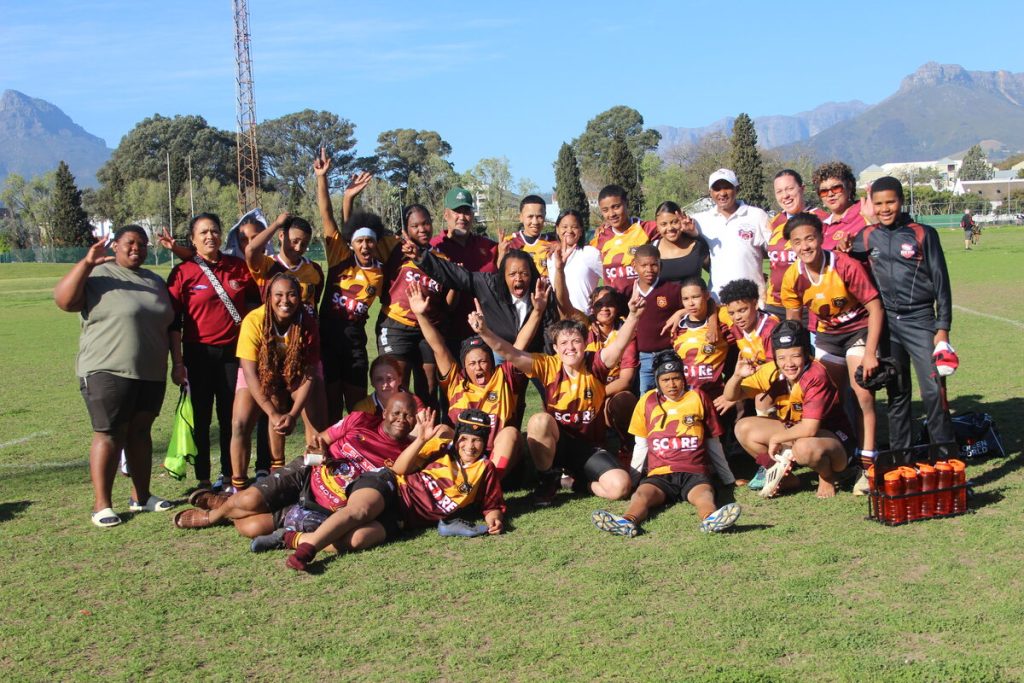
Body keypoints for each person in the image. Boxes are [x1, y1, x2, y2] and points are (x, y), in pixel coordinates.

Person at [55, 227, 183, 527]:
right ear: (116, 245)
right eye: (130, 243)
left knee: (140, 432)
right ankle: (102, 505)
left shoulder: (154, 280)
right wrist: (87, 263)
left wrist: (177, 363)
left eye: (142, 244)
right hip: (106, 369)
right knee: (109, 432)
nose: (136, 248)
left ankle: (142, 496)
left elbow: (170, 325)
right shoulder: (99, 275)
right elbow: (63, 300)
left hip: (150, 372)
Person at [470, 290, 644, 505]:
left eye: (576, 341)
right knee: (539, 421)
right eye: (564, 343)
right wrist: (485, 332)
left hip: (589, 448)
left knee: (621, 487)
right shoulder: (547, 365)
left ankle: (577, 483)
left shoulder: (596, 363)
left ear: (585, 344)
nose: (570, 348)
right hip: (555, 445)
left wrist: (634, 315)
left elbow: (618, 345)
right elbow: (509, 353)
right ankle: (548, 478)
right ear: (555, 348)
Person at [173, 394, 417, 543]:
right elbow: (319, 441)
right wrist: (318, 451)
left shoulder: (408, 452)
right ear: (384, 412)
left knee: (250, 527)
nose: (401, 420)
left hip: (326, 507)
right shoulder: (360, 420)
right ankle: (212, 516)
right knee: (246, 501)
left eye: (408, 416)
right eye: (396, 413)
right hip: (308, 473)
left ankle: (226, 504)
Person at [282, 408, 505, 571]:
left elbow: (491, 505)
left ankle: (292, 538)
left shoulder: (485, 469)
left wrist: (494, 519)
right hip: (390, 485)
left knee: (358, 539)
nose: (469, 446)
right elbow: (399, 467)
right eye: (464, 439)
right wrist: (422, 440)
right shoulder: (440, 449)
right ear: (456, 438)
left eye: (476, 440)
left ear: (484, 442)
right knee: (360, 512)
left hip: (404, 517)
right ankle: (306, 553)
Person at [848, 176, 958, 463]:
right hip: (887, 326)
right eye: (879, 203)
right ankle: (902, 463)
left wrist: (942, 330)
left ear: (901, 201)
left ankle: (945, 464)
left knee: (934, 393)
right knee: (897, 395)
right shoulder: (867, 236)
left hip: (921, 321)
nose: (885, 209)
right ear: (871, 205)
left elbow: (942, 284)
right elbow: (848, 262)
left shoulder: (923, 233)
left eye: (891, 202)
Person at [779, 212, 883, 490]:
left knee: (862, 393)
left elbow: (875, 308)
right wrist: (796, 361)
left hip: (858, 331)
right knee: (826, 398)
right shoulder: (792, 276)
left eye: (810, 238)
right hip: (826, 336)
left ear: (821, 238)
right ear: (791, 245)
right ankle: (840, 456)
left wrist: (871, 351)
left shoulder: (844, 265)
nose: (805, 246)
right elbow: (793, 326)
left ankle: (868, 465)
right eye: (797, 241)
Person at [591, 351, 741, 537]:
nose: (672, 384)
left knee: (705, 495)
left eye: (676, 378)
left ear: (683, 377)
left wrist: (728, 479)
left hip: (693, 472)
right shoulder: (647, 401)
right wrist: (634, 480)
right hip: (660, 475)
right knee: (641, 496)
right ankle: (627, 521)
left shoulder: (698, 397)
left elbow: (713, 443)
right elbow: (641, 446)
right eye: (666, 379)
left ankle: (710, 519)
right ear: (657, 380)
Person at [167, 213, 258, 490]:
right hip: (198, 355)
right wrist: (178, 362)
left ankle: (231, 476)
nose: (210, 236)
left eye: (215, 231)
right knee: (202, 418)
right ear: (193, 240)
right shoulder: (183, 272)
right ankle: (204, 479)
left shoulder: (237, 267)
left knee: (232, 417)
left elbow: (255, 308)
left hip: (234, 355)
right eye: (203, 232)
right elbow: (173, 324)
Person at [407, 280, 529, 478]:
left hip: (498, 461)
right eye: (472, 364)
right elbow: (438, 347)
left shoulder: (503, 377)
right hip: (463, 458)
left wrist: (537, 311)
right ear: (464, 367)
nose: (479, 367)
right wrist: (421, 314)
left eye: (483, 361)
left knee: (511, 433)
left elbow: (519, 346)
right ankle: (422, 476)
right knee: (441, 430)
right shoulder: (456, 381)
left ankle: (488, 484)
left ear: (491, 362)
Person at [724, 320, 855, 499]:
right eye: (782, 357)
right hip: (796, 431)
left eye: (795, 356)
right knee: (743, 428)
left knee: (804, 447)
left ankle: (828, 476)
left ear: (806, 354)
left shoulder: (816, 375)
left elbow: (810, 428)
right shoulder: (772, 370)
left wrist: (777, 438)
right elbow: (731, 396)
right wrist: (737, 376)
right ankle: (784, 477)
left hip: (832, 440)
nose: (789, 363)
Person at [227, 273, 321, 492]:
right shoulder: (255, 319)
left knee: (316, 419)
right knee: (240, 423)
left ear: (300, 297)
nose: (285, 301)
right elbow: (249, 372)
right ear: (269, 297)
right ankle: (238, 486)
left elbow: (309, 372)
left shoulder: (307, 322)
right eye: (278, 295)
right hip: (259, 373)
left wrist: (294, 414)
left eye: (291, 295)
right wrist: (272, 412)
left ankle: (314, 481)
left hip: (297, 371)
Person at [314, 150, 384, 419]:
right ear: (352, 244)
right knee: (330, 405)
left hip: (355, 343)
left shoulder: (380, 273)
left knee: (357, 407)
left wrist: (349, 199)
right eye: (359, 241)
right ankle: (329, 459)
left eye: (369, 241)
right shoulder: (339, 257)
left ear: (375, 243)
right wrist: (323, 178)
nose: (365, 245)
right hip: (328, 340)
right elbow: (327, 215)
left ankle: (355, 455)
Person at [411, 242, 557, 356]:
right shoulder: (489, 285)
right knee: (502, 392)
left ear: (531, 274)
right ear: (503, 276)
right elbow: (456, 274)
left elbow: (550, 330)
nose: (518, 278)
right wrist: (421, 257)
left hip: (535, 352)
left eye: (524, 273)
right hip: (500, 351)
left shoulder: (541, 292)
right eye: (512, 274)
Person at [376, 203, 450, 404]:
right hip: (396, 326)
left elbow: (447, 302)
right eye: (415, 226)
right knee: (395, 386)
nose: (422, 229)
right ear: (406, 229)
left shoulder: (440, 258)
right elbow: (358, 238)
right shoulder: (394, 249)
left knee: (429, 387)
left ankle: (428, 433)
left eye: (425, 223)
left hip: (427, 328)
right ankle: (395, 435)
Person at [430, 186, 498, 345]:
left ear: (473, 215)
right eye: (457, 211)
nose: (462, 217)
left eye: (466, 211)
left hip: (486, 333)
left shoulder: (490, 247)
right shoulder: (435, 248)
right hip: (448, 333)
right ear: (446, 214)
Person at [691, 169, 770, 302]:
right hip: (718, 300)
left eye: (727, 187)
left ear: (737, 189)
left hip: (753, 300)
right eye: (716, 189)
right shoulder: (700, 220)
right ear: (710, 192)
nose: (722, 193)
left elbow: (775, 251)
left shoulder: (757, 215)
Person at [629, 244, 685, 392]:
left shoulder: (672, 289)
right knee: (645, 398)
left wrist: (681, 312)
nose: (649, 270)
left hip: (669, 354)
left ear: (660, 265)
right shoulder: (628, 291)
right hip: (643, 357)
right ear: (634, 265)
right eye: (644, 265)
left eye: (654, 265)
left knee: (674, 395)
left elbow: (697, 306)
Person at [589, 184, 660, 293]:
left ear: (627, 204)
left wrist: (692, 231)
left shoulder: (646, 228)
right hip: (615, 305)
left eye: (616, 207)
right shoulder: (600, 237)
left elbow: (674, 227)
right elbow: (577, 250)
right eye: (605, 210)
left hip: (644, 301)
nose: (611, 214)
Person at [763, 170, 813, 319]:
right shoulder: (774, 223)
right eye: (779, 191)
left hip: (808, 304)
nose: (785, 196)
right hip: (776, 305)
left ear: (802, 189)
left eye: (790, 189)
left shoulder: (819, 220)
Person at [544, 209, 603, 315]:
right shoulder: (551, 255)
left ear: (581, 231)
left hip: (583, 318)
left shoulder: (590, 253)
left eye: (574, 227)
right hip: (558, 319)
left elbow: (611, 280)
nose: (569, 231)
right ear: (557, 229)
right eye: (564, 227)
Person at [812, 161, 871, 251]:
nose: (830, 194)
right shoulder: (819, 225)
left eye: (836, 188)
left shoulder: (866, 213)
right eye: (824, 191)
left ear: (849, 186)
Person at [652, 201, 709, 284]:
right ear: (657, 227)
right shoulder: (652, 250)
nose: (670, 228)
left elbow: (715, 272)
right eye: (664, 224)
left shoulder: (698, 246)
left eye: (674, 222)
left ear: (682, 220)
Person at [499, 195, 557, 276]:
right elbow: (501, 273)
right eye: (530, 216)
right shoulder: (510, 243)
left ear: (544, 216)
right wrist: (501, 254)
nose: (535, 222)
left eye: (539, 216)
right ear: (521, 217)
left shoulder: (554, 242)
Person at [351, 354, 424, 416]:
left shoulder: (413, 402)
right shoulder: (362, 409)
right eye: (379, 379)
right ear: (372, 382)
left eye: (389, 378)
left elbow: (423, 430)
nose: (385, 384)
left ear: (399, 380)